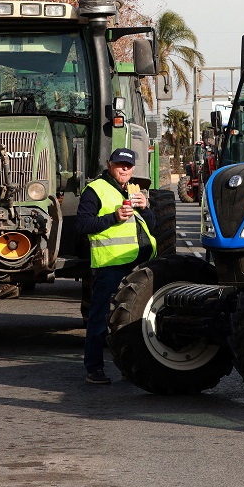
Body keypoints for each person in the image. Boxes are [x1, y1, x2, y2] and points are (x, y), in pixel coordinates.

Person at [74, 147, 157, 384]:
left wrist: (145, 209)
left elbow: (151, 225)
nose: (124, 169)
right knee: (100, 318)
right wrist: (114, 217)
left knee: (134, 320)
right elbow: (81, 225)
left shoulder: (133, 190)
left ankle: (129, 366)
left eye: (128, 166)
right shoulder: (95, 190)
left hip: (140, 265)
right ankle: (94, 368)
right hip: (111, 265)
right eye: (120, 165)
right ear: (110, 165)